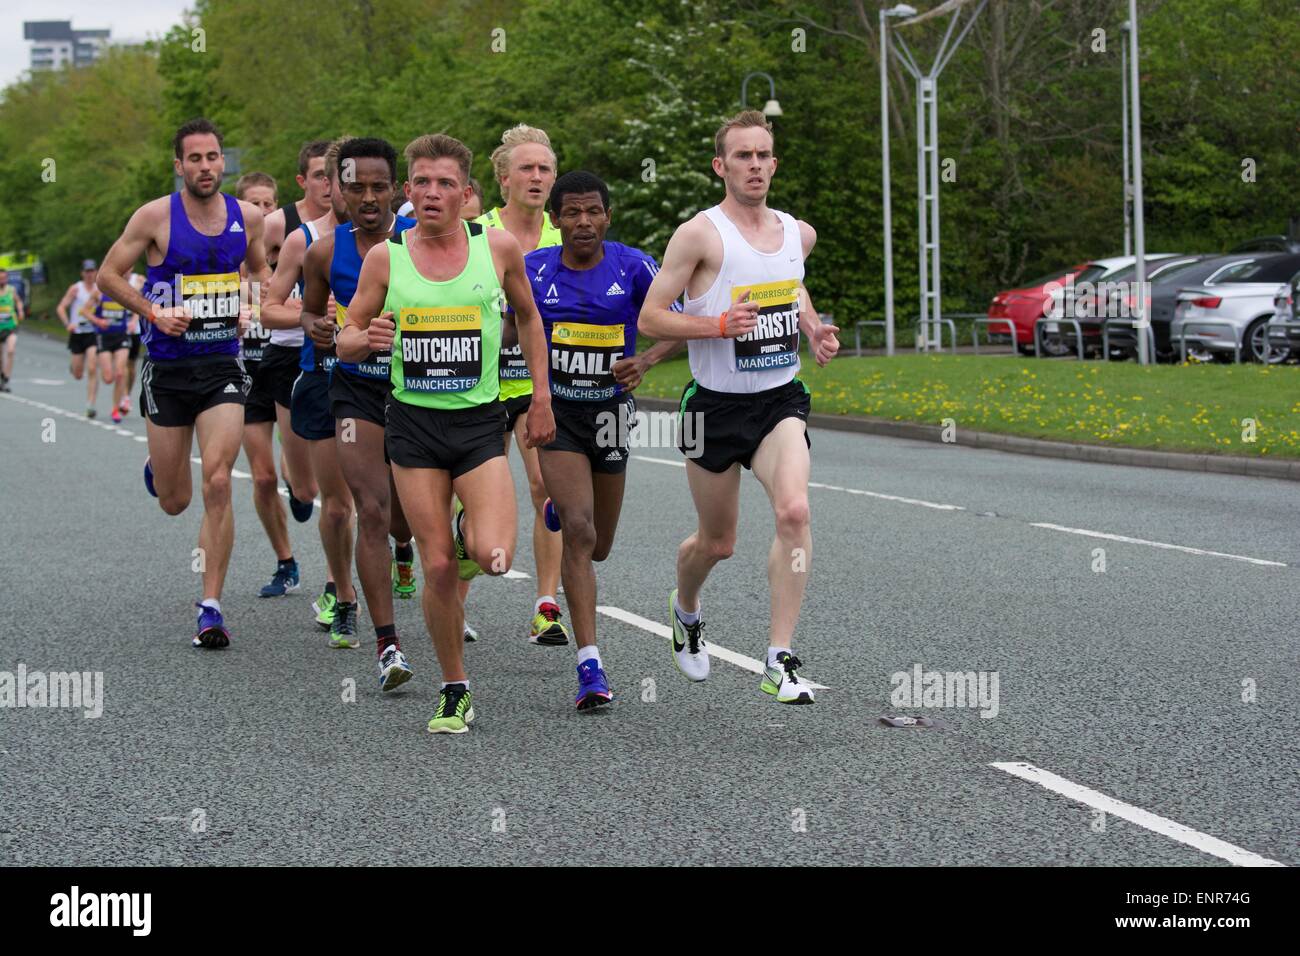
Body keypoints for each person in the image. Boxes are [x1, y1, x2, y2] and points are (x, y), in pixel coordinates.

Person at [338, 133, 555, 734]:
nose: (433, 193)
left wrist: (540, 398)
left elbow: (530, 319)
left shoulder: (499, 248)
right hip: (412, 427)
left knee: (492, 555)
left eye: (445, 184)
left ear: (466, 194)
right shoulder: (388, 256)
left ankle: (466, 530)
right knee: (435, 568)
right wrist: (366, 340)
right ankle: (454, 686)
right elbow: (346, 335)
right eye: (422, 183)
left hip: (480, 424)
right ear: (409, 192)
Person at [638, 110, 840, 704]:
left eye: (763, 156)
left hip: (779, 400)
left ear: (774, 164)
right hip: (713, 408)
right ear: (720, 165)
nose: (754, 165)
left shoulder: (797, 232)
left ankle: (780, 659)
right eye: (742, 156)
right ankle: (686, 607)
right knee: (717, 542)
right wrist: (718, 324)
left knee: (795, 512)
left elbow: (791, 280)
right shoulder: (699, 235)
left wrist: (811, 328)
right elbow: (651, 316)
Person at [96, 116, 270, 648]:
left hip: (222, 366)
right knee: (174, 500)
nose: (205, 167)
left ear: (224, 162)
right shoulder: (154, 217)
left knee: (219, 480)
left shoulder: (248, 217)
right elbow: (108, 276)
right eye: (194, 159)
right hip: (168, 371)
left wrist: (249, 308)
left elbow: (261, 275)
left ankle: (211, 606)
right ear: (179, 166)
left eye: (213, 157)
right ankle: (160, 465)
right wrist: (152, 311)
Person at [531, 170, 681, 708]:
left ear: (607, 216)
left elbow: (675, 323)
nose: (583, 222)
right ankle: (589, 664)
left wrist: (645, 359)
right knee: (579, 528)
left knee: (601, 545)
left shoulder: (633, 265)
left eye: (593, 211)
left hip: (612, 416)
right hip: (558, 419)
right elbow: (506, 326)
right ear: (555, 221)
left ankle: (558, 504)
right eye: (571, 213)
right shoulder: (533, 271)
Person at [302, 136, 418, 688]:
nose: (368, 197)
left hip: (419, 392)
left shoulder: (425, 241)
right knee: (369, 509)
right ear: (339, 189)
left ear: (396, 187)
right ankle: (388, 644)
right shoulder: (325, 251)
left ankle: (406, 545)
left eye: (378, 185)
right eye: (356, 186)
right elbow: (306, 314)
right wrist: (321, 328)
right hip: (355, 391)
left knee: (403, 518)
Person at [471, 124, 567, 646]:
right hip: (478, 385)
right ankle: (456, 598)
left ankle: (546, 605)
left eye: (545, 169)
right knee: (474, 503)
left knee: (545, 488)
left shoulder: (562, 237)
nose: (536, 176)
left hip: (536, 386)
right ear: (504, 177)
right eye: (526, 168)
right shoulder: (476, 233)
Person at [261, 138, 357, 642]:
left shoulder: (397, 238)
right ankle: (341, 593)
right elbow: (270, 308)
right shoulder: (305, 241)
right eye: (332, 179)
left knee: (391, 506)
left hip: (383, 380)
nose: (340, 189)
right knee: (331, 502)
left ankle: (407, 560)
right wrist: (310, 318)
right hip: (321, 375)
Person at [234, 171, 297, 596]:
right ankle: (285, 561)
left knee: (298, 476)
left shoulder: (294, 260)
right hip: (246, 378)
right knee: (261, 477)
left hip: (287, 369)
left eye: (270, 203)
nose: (264, 211)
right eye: (254, 204)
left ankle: (305, 490)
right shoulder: (228, 266)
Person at [77, 284, 132, 422]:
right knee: (108, 378)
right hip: (104, 337)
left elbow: (138, 308)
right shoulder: (99, 293)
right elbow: (84, 311)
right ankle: (109, 371)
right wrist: (98, 321)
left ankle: (115, 409)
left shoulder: (125, 291)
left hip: (121, 336)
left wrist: (134, 322)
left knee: (120, 373)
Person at [56, 260, 101, 416]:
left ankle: (91, 404)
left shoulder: (100, 289)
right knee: (78, 374)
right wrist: (68, 324)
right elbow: (61, 307)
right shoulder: (76, 289)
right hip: (77, 333)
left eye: (92, 271)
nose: (90, 274)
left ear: (96, 272)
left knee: (93, 367)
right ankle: (74, 366)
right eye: (87, 271)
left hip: (94, 333)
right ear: (82, 273)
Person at [0, 269, 25, 392]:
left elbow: (18, 301)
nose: (2, 280)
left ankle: (6, 378)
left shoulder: (11, 290)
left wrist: (20, 310)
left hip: (11, 326)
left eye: (4, 278)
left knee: (10, 350)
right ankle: (2, 376)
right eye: (0, 278)